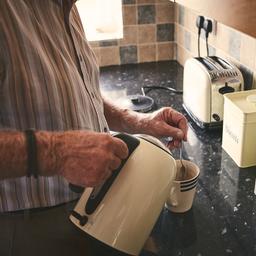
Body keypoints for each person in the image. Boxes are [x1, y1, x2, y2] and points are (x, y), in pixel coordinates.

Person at [0, 1, 188, 255]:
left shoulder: (66, 9)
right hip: (31, 226)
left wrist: (136, 121)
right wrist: (58, 153)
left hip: (91, 206)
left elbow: (79, 90)